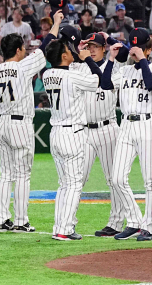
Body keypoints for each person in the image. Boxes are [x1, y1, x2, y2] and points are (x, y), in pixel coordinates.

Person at [43, 31, 105, 240]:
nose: (71, 51)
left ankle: (58, 226)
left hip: (56, 132)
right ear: (62, 56)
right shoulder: (72, 76)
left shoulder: (47, 74)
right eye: (67, 50)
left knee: (64, 184)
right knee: (74, 183)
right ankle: (65, 229)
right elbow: (99, 79)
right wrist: (87, 58)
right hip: (72, 133)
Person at [0, 29, 51, 232]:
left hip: (2, 123)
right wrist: (56, 23)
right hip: (20, 123)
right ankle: (21, 221)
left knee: (6, 174)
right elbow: (47, 44)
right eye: (23, 47)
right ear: (17, 49)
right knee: (23, 174)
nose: (25, 50)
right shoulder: (23, 66)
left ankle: (2, 217)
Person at [107, 28, 152, 242]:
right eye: (133, 47)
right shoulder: (124, 71)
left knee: (150, 180)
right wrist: (112, 59)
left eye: (140, 48)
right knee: (116, 178)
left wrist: (142, 60)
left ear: (149, 49)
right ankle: (134, 220)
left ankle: (148, 226)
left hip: (148, 124)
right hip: (126, 125)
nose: (135, 51)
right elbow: (105, 83)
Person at [80, 31, 130, 237]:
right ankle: (67, 221)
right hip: (84, 130)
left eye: (96, 46)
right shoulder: (79, 68)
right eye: (89, 46)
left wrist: (109, 39)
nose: (91, 49)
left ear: (104, 49)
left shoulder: (115, 69)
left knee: (113, 179)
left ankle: (116, 223)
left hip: (107, 128)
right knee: (77, 177)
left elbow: (125, 51)